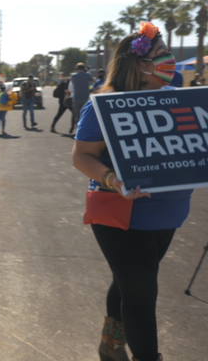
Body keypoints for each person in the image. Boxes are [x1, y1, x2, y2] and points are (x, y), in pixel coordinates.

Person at [72, 22, 190, 361]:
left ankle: (110, 344)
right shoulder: (104, 105)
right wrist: (113, 180)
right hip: (122, 213)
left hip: (169, 212)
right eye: (160, 54)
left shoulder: (180, 99)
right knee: (141, 295)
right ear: (138, 63)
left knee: (129, 282)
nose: (169, 60)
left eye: (167, 53)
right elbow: (82, 156)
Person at [68, 62, 94, 134]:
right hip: (85, 97)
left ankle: (79, 131)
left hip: (76, 98)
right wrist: (87, 71)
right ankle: (85, 130)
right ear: (84, 68)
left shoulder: (73, 76)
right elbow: (93, 80)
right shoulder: (87, 75)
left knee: (77, 116)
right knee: (85, 114)